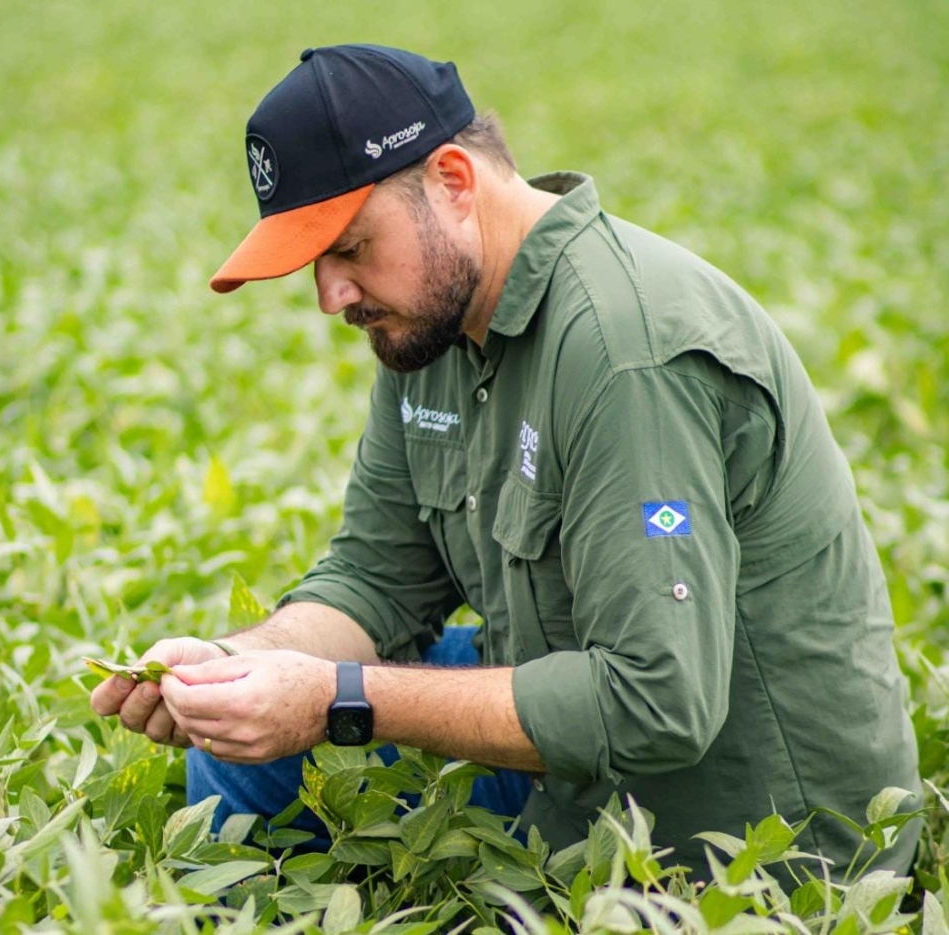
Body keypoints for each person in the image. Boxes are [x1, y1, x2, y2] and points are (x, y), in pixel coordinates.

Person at [91, 43, 921, 882]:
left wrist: (341, 698)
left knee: (335, 714)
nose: (330, 296)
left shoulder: (626, 353)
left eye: (349, 246)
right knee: (239, 754)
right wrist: (243, 666)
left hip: (737, 840)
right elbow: (377, 578)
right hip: (567, 777)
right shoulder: (427, 325)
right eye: (316, 263)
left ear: (453, 179)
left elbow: (657, 700)